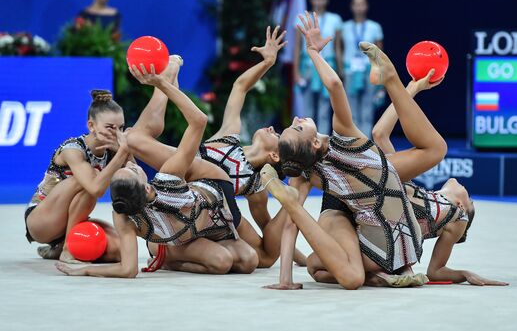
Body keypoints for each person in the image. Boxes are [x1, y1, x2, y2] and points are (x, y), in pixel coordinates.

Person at [268, 11, 449, 290]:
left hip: (370, 181)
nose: (296, 119)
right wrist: (314, 52)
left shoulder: (304, 168)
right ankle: (395, 83)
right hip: (356, 192)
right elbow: (335, 84)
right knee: (434, 149)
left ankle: (400, 85)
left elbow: (294, 223)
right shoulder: (341, 133)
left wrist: (285, 281)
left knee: (320, 266)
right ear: (314, 143)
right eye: (297, 127)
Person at [56, 59, 258, 277]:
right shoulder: (156, 190)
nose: (133, 166)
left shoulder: (146, 194)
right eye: (132, 169)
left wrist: (163, 85)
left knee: (249, 261)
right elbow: (129, 269)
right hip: (179, 236)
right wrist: (162, 84)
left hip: (208, 218)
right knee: (223, 262)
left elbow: (199, 121)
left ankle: (163, 86)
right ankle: (168, 258)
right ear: (145, 187)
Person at [370, 70, 508, 286]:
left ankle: (379, 275)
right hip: (371, 202)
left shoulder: (458, 218)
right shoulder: (413, 189)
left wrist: (464, 274)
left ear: (461, 206)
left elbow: (435, 271)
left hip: (377, 225)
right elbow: (379, 134)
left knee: (317, 268)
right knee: (315, 267)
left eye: (469, 197)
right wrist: (412, 89)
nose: (465, 188)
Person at [200, 26, 307, 267]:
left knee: (266, 259)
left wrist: (299, 258)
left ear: (274, 155)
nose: (272, 128)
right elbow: (240, 87)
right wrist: (267, 63)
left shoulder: (256, 188)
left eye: (277, 134)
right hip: (182, 194)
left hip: (211, 215)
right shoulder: (229, 135)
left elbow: (268, 236)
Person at [25, 90, 129, 263]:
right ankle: (67, 249)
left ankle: (57, 248)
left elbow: (136, 183)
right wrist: (121, 155)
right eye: (110, 127)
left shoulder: (114, 151)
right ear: (91, 126)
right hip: (42, 220)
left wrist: (128, 155)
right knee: (91, 178)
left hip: (72, 221)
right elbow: (95, 188)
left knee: (119, 251)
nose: (117, 134)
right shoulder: (72, 149)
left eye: (121, 128)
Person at [293, 0, 342, 135]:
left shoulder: (335, 19)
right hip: (307, 67)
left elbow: (338, 48)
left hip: (327, 66)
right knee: (307, 110)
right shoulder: (301, 18)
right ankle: (306, 143)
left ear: (326, 0)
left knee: (324, 108)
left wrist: (340, 72)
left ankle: (322, 144)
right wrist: (295, 72)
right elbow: (296, 48)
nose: (318, 1)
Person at [342, 0, 384, 135]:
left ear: (366, 6)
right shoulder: (344, 27)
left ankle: (366, 144)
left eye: (362, 4)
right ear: (351, 7)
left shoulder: (374, 27)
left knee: (367, 109)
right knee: (351, 110)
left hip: (368, 71)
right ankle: (354, 144)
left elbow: (379, 52)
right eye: (356, 4)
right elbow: (339, 49)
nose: (359, 8)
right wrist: (340, 70)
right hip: (350, 72)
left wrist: (379, 72)